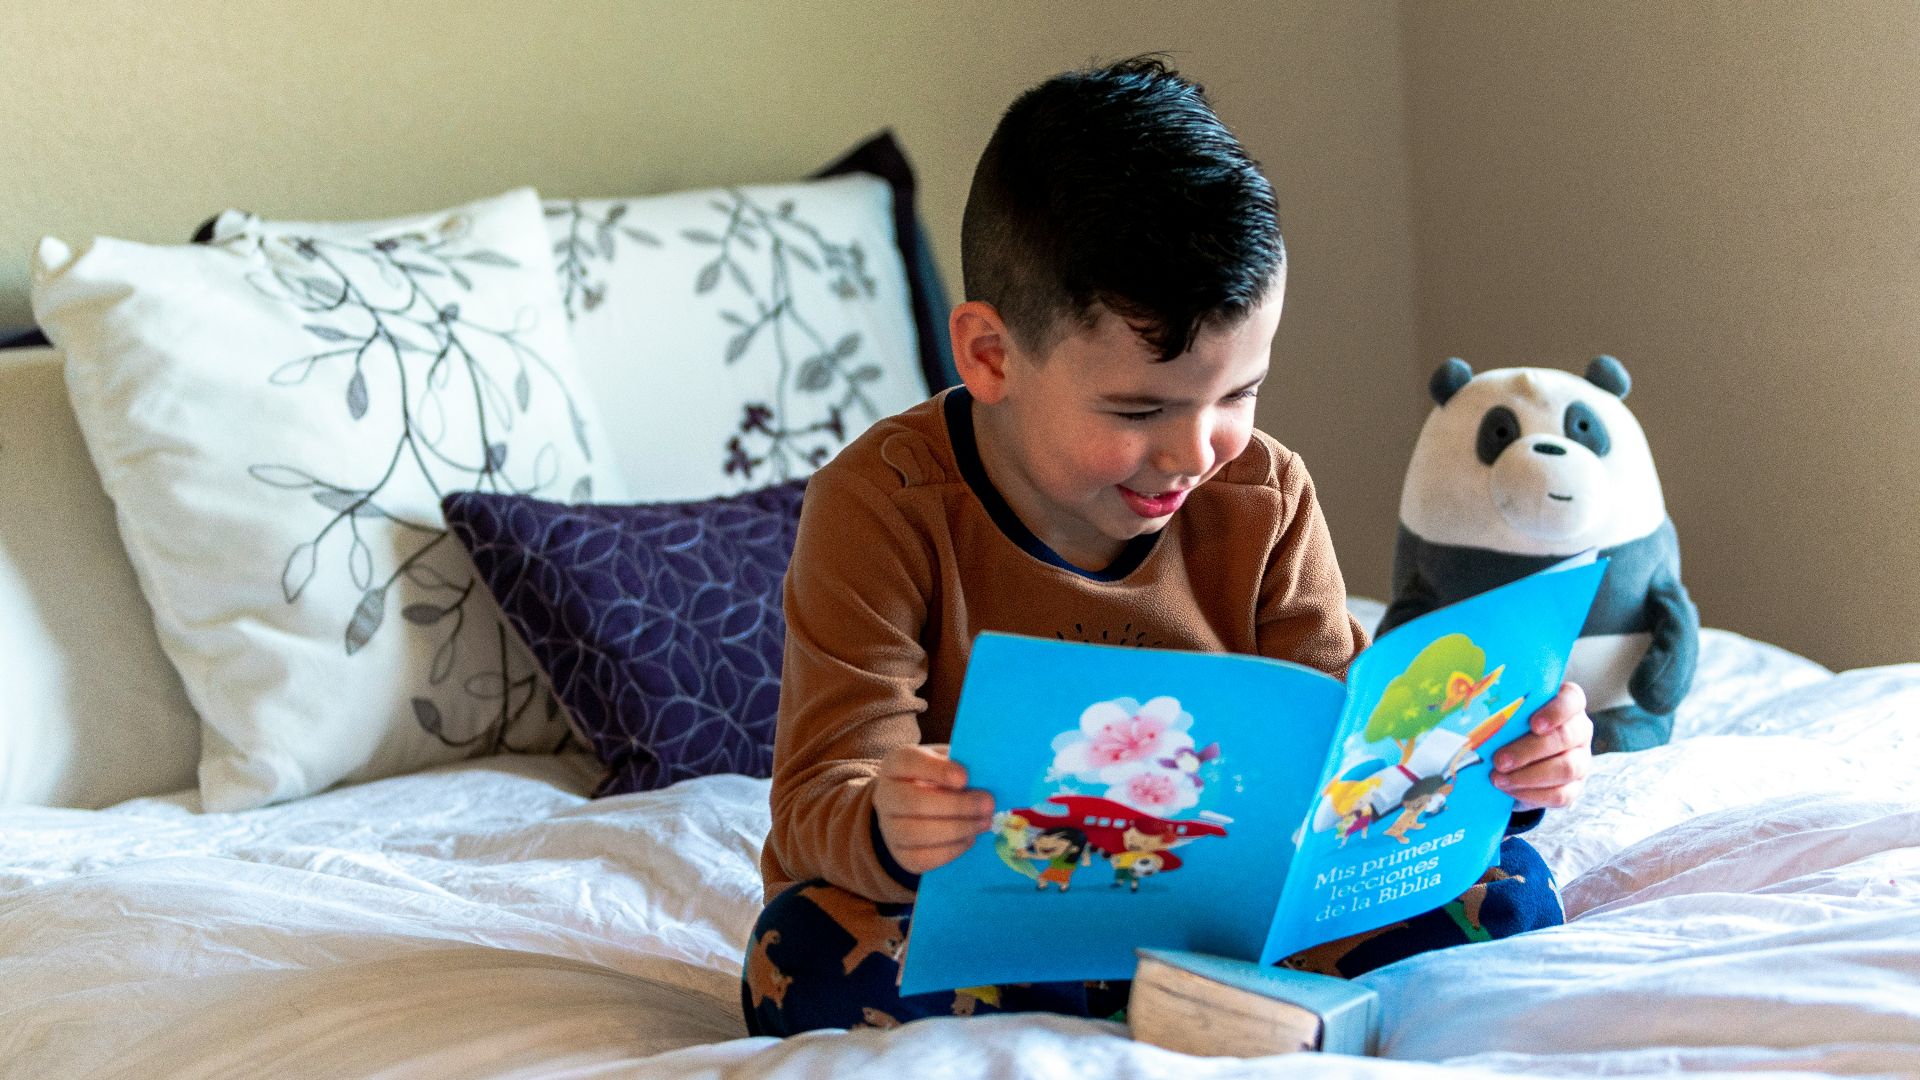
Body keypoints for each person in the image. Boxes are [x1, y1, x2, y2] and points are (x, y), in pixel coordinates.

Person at [740, 55, 1593, 1037]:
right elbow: (820, 794)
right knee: (802, 957)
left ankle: (1171, 997)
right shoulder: (882, 506)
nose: (1195, 453)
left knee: (1510, 890)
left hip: (1228, 911)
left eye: (1239, 394)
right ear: (990, 356)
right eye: (1139, 410)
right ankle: (1188, 1007)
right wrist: (892, 823)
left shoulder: (1263, 495)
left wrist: (1500, 763)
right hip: (993, 913)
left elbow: (1347, 757)